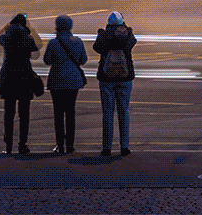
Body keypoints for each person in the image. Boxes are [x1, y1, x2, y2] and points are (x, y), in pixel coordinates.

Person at [0, 13, 43, 154]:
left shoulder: (6, 38)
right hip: (24, 77)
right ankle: (22, 144)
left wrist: (6, 26)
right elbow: (38, 47)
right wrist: (32, 29)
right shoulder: (27, 39)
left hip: (9, 77)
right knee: (24, 114)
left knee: (8, 113)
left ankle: (8, 145)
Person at [94, 10, 138, 156]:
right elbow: (132, 43)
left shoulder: (104, 35)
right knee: (123, 112)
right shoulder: (127, 34)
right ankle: (124, 147)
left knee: (107, 113)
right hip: (124, 77)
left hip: (107, 77)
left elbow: (97, 48)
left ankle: (106, 147)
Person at [43, 14, 87, 153]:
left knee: (58, 113)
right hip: (73, 80)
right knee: (70, 112)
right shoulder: (77, 41)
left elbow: (47, 60)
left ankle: (60, 144)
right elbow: (83, 59)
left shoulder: (54, 43)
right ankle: (70, 144)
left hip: (57, 80)